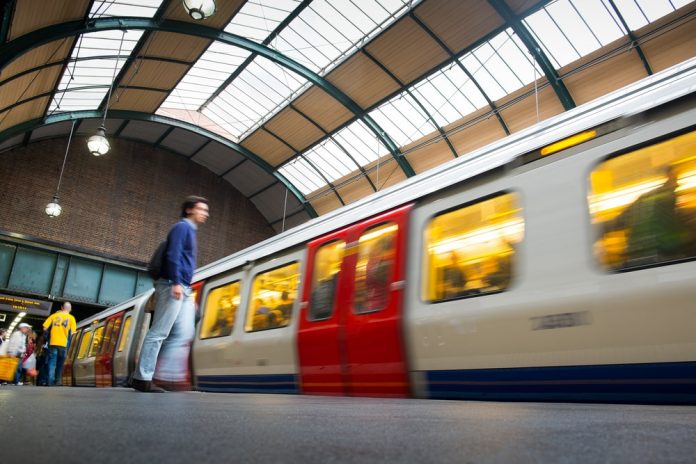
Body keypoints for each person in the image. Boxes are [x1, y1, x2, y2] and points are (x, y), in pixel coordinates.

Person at [132, 195, 209, 393]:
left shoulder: (190, 231)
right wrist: (175, 281)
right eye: (201, 209)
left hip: (183, 287)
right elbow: (173, 254)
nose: (205, 214)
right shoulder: (182, 227)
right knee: (159, 332)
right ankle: (143, 378)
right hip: (171, 284)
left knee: (184, 333)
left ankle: (167, 377)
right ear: (189, 210)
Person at [606, 166, 692, 268]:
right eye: (676, 179)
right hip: (661, 257)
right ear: (670, 177)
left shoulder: (644, 198)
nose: (678, 183)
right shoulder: (667, 198)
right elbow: (673, 237)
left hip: (638, 260)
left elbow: (618, 222)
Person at [43, 301, 77, 386]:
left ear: (62, 308)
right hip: (63, 344)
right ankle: (58, 381)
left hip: (53, 343)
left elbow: (44, 328)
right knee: (60, 364)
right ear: (71, 309)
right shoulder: (71, 318)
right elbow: (73, 332)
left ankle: (50, 382)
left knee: (52, 363)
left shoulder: (54, 316)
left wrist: (50, 334)